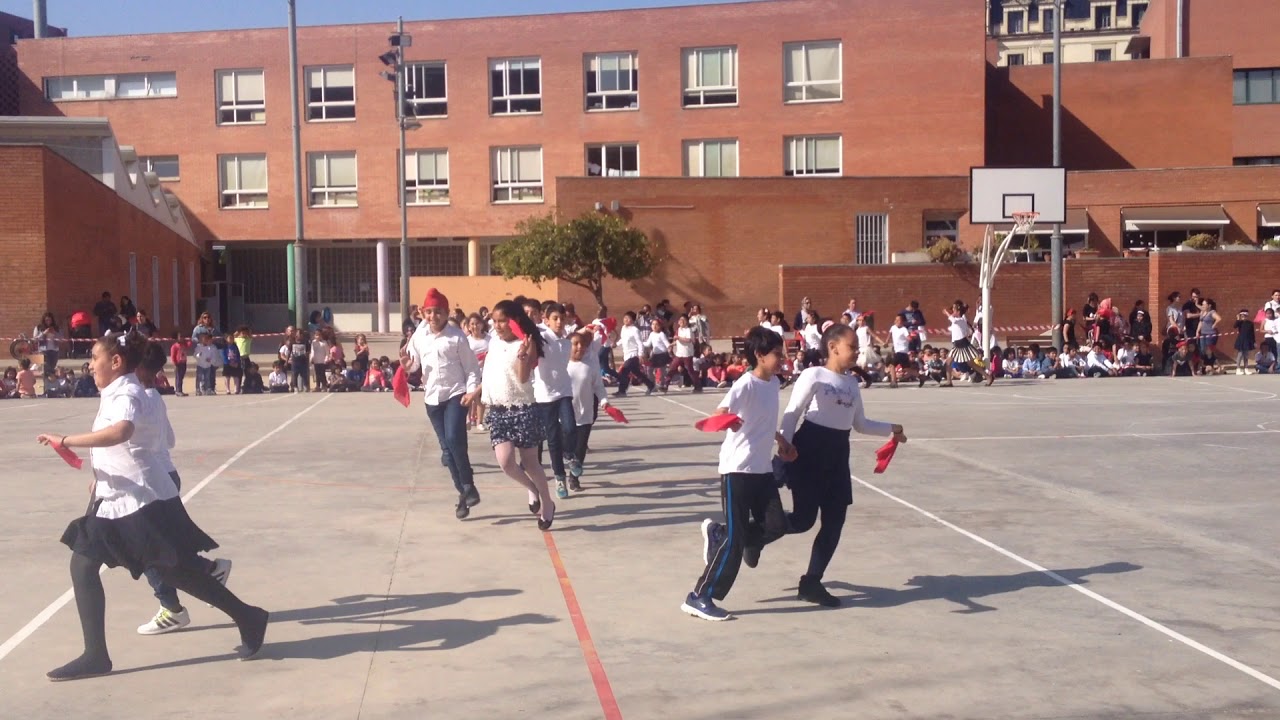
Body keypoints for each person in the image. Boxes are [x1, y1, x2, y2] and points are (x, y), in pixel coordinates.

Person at [35, 331, 267, 681]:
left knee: (175, 571)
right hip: (117, 498)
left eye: (95, 358)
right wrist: (100, 477)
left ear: (115, 362)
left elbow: (122, 432)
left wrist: (66, 440)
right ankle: (95, 654)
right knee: (83, 566)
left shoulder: (127, 391)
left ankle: (248, 616)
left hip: (142, 501)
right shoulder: (114, 391)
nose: (90, 364)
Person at [773, 323, 906, 606]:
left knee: (834, 522)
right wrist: (785, 445)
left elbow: (860, 424)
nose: (857, 352)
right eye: (853, 347)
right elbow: (792, 413)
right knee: (803, 520)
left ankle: (811, 582)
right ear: (833, 348)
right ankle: (745, 535)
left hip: (836, 456)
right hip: (809, 450)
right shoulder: (814, 375)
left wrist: (893, 428)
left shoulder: (851, 384)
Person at [680, 327, 797, 622]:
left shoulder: (772, 384)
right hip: (737, 470)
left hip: (762, 470)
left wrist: (781, 442)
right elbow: (719, 411)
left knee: (777, 525)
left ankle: (719, 534)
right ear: (759, 355)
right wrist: (727, 420)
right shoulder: (745, 384)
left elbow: (766, 421)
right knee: (736, 540)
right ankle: (699, 596)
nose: (781, 359)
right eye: (776, 354)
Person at [133, 343, 233, 635]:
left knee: (149, 551)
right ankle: (206, 572)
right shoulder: (153, 397)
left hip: (152, 479)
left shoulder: (139, 398)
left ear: (138, 367)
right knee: (157, 549)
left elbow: (143, 442)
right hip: (164, 474)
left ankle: (174, 605)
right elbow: (170, 440)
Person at [399, 288, 483, 520]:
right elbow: (414, 365)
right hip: (432, 399)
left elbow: (472, 368)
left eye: (438, 312)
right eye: (429, 312)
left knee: (456, 441)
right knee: (447, 451)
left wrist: (470, 392)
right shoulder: (419, 336)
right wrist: (407, 365)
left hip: (456, 395)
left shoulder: (457, 336)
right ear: (423, 313)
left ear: (446, 313)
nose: (433, 316)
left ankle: (468, 484)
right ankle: (464, 492)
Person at [481, 300, 555, 530]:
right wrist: (476, 393)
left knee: (531, 462)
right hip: (498, 410)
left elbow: (522, 378)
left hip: (523, 409)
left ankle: (548, 502)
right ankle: (531, 488)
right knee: (505, 462)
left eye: (502, 320)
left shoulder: (526, 344)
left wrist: (523, 357)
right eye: (494, 321)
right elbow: (491, 373)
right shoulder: (493, 342)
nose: (497, 325)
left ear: (514, 321)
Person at [532, 302, 578, 501]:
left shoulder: (567, 343)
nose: (559, 322)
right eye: (555, 319)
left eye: (562, 318)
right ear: (546, 320)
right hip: (544, 396)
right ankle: (560, 478)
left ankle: (569, 454)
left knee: (569, 427)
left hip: (564, 392)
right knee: (552, 439)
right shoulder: (541, 339)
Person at [566, 332, 610, 491]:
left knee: (581, 447)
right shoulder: (561, 364)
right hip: (565, 414)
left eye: (582, 344)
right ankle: (563, 472)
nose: (580, 347)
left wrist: (604, 401)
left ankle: (574, 478)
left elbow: (598, 386)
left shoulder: (590, 365)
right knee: (567, 447)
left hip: (585, 413)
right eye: (575, 344)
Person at [941, 301, 983, 387]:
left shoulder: (960, 319)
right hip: (957, 344)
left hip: (962, 344)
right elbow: (956, 331)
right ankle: (949, 382)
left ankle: (987, 376)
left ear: (958, 311)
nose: (952, 311)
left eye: (954, 310)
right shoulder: (958, 321)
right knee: (948, 362)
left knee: (970, 363)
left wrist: (946, 313)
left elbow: (953, 319)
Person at [614, 311, 654, 397]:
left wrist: (640, 354)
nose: (626, 320)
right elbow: (623, 339)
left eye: (628, 318)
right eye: (625, 318)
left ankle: (622, 391)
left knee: (624, 371)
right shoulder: (623, 328)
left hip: (634, 354)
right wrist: (616, 344)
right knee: (637, 372)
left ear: (633, 320)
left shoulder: (635, 330)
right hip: (626, 354)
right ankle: (650, 385)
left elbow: (640, 343)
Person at [35, 311, 63, 383]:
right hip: (43, 350)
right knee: (45, 367)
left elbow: (61, 339)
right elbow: (35, 339)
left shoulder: (56, 328)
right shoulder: (39, 327)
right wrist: (44, 333)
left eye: (49, 320)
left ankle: (50, 384)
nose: (48, 321)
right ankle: (44, 383)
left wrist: (55, 333)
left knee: (52, 368)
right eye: (46, 320)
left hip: (54, 350)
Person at [1234, 309, 1257, 374]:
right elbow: (1235, 326)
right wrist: (1238, 319)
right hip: (1241, 340)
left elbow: (1252, 333)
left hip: (1248, 340)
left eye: (1245, 316)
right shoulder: (1240, 323)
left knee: (1246, 355)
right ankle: (1238, 369)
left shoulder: (1250, 323)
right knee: (1240, 354)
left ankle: (1246, 368)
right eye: (1242, 316)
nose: (1243, 317)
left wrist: (1254, 341)